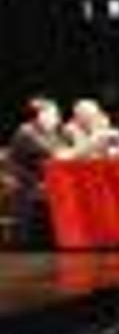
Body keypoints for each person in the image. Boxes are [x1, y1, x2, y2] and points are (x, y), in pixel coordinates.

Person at [6, 98, 72, 247]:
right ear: (40, 115)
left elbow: (69, 151)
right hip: (29, 184)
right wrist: (92, 143)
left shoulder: (57, 133)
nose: (57, 118)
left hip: (49, 181)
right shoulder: (26, 133)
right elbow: (57, 156)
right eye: (53, 114)